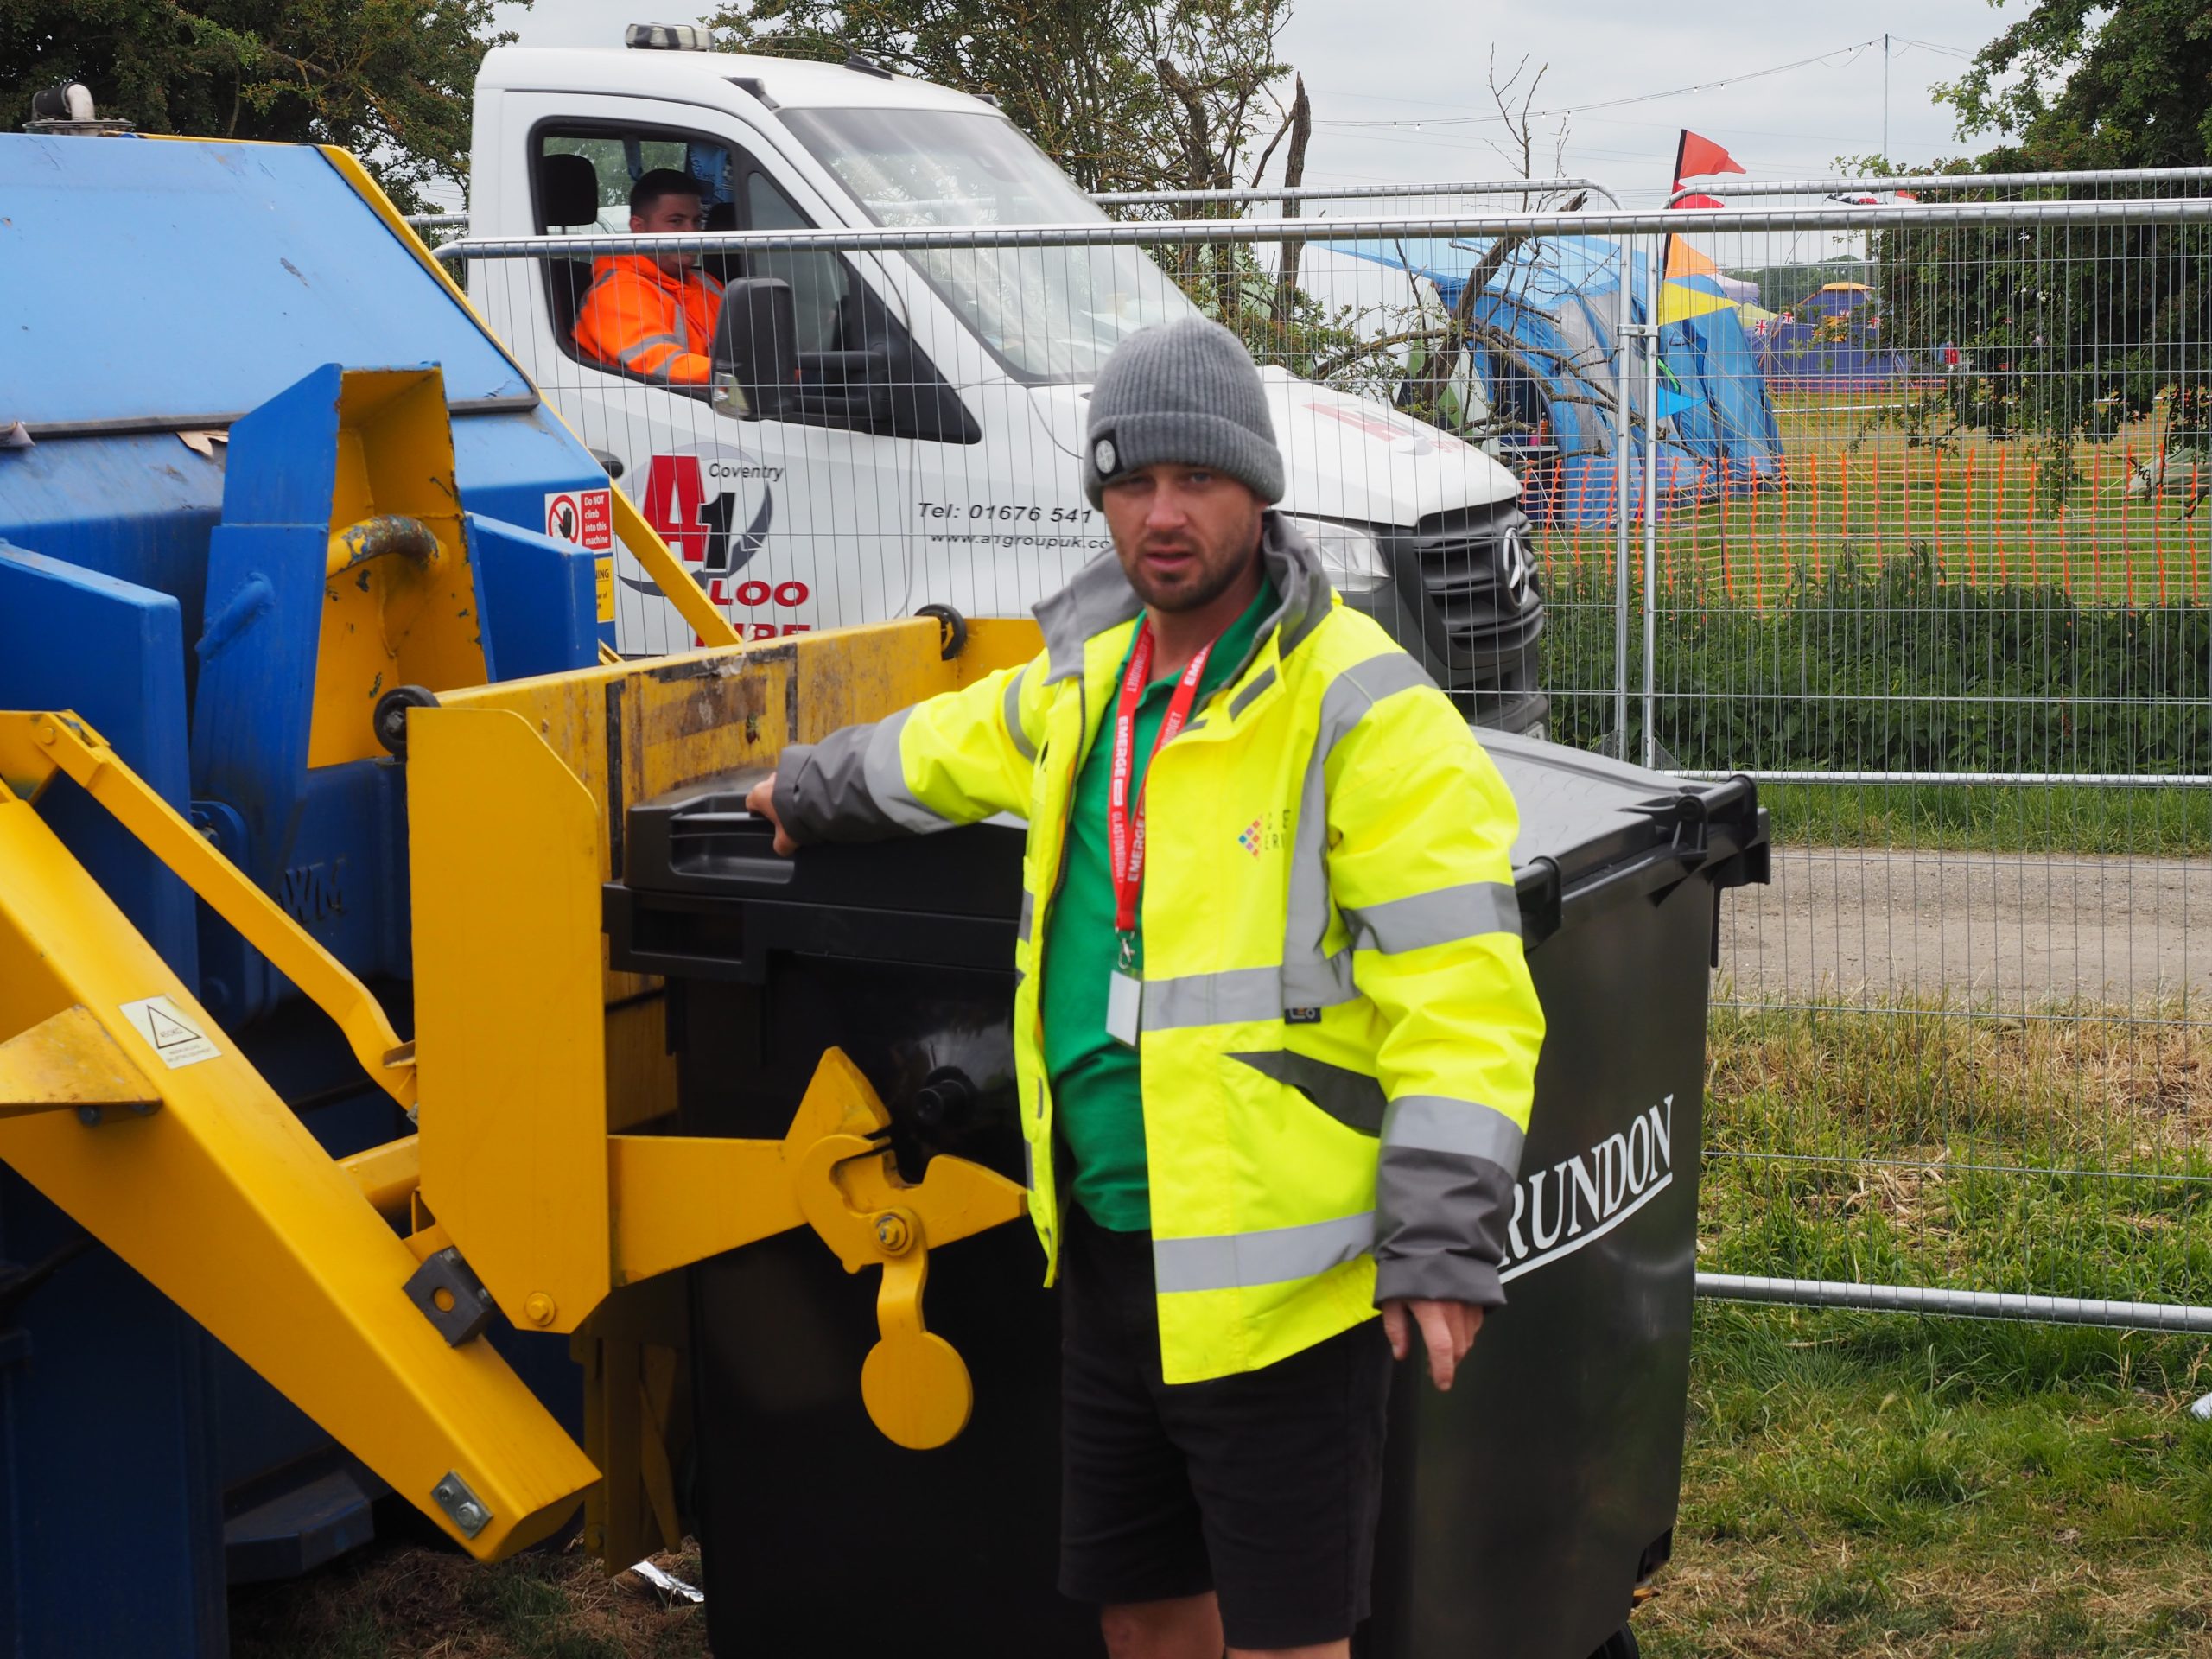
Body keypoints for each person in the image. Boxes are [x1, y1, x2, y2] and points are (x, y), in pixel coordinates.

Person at [746, 316, 1544, 1659]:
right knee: (1147, 1615)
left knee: (1286, 1641)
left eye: (1196, 479)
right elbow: (938, 751)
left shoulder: (1366, 712)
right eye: (1132, 482)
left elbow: (1462, 995)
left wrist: (1443, 1232)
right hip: (1107, 1250)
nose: (1162, 515)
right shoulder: (1086, 682)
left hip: (1281, 1287)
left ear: (1259, 492)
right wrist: (806, 788)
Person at [572, 168, 724, 385]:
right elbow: (660, 366)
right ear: (639, 228)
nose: (691, 232)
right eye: (676, 221)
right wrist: (743, 375)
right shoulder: (617, 291)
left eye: (697, 221)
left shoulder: (706, 282)